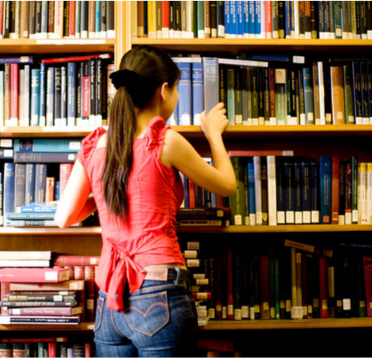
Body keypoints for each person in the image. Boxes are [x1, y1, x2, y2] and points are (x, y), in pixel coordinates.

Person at [54, 46, 236, 357]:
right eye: (176, 89)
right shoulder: (163, 139)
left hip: (110, 296)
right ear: (164, 90)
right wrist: (214, 135)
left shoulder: (96, 145)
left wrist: (106, 194)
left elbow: (64, 217)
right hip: (157, 289)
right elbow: (227, 185)